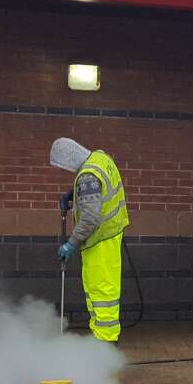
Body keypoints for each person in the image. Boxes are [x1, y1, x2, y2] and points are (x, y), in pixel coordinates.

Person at [50, 137, 130, 343]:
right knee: (104, 290)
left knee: (101, 293)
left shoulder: (87, 177)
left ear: (68, 160)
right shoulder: (100, 158)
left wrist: (71, 244)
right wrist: (75, 196)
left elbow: (90, 218)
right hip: (110, 236)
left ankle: (105, 343)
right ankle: (102, 338)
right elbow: (100, 192)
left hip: (100, 241)